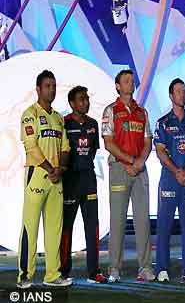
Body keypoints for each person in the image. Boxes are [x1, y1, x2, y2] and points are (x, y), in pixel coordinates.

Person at [17, 70, 72, 289]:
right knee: (30, 227)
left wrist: (62, 168)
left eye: (54, 85)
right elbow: (31, 146)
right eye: (47, 86)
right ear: (38, 89)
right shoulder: (29, 114)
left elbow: (66, 146)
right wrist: (51, 168)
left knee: (54, 229)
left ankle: (52, 275)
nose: (52, 89)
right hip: (38, 176)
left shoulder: (58, 118)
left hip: (56, 178)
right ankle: (25, 276)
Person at [101, 69, 154, 282]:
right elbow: (108, 143)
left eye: (132, 80)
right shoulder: (110, 110)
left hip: (140, 171)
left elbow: (148, 142)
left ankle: (145, 268)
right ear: (117, 86)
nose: (130, 83)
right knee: (118, 222)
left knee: (143, 222)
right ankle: (114, 268)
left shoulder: (142, 112)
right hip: (119, 169)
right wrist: (131, 161)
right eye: (126, 80)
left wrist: (140, 162)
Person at [154, 78, 185, 282]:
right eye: (178, 91)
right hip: (169, 180)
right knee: (164, 226)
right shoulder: (163, 122)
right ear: (171, 96)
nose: (182, 95)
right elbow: (160, 152)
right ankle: (162, 269)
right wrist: (177, 172)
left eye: (184, 91)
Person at [59, 86, 107, 284]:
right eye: (81, 99)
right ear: (72, 103)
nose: (86, 102)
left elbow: (93, 152)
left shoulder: (93, 124)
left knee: (92, 227)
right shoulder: (64, 123)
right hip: (70, 181)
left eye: (86, 98)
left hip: (89, 181)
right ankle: (63, 271)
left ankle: (93, 272)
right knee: (66, 228)